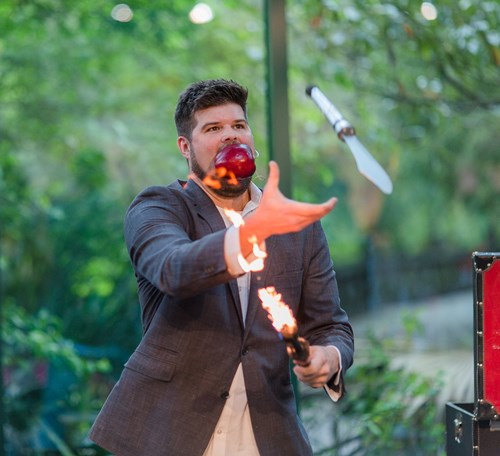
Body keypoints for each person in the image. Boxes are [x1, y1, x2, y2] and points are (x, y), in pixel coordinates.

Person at [89, 79, 354, 456]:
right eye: (213, 129)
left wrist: (328, 358)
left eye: (238, 126)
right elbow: (172, 268)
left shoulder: (300, 229)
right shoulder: (159, 207)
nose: (231, 136)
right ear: (186, 146)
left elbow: (331, 325)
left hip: (269, 437)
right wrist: (254, 231)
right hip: (170, 435)